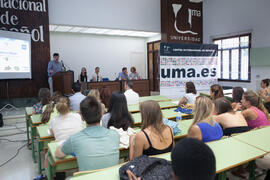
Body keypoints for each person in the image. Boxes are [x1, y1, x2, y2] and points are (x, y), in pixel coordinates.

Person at [55, 96, 120, 171]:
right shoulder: (115, 135)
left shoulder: (75, 139)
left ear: (82, 117)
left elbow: (58, 154)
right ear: (102, 114)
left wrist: (63, 144)